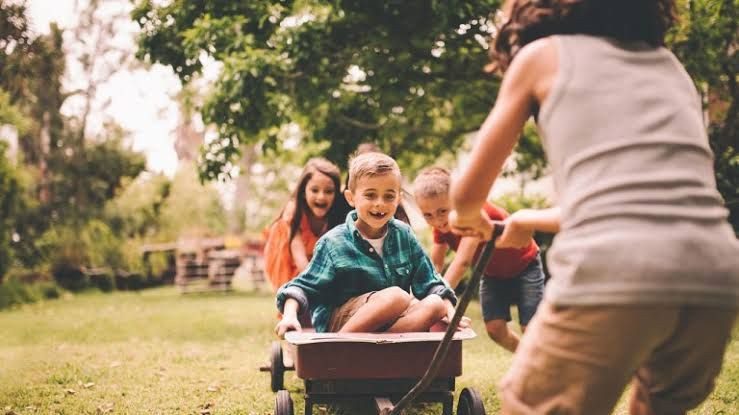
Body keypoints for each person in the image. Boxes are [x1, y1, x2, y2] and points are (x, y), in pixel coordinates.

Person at [449, 1, 739, 414]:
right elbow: (645, 201)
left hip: (617, 268)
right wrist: (528, 219)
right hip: (715, 274)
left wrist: (466, 218)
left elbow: (466, 195)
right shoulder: (669, 66)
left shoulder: (544, 56)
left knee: (531, 406)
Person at [275, 152, 466, 336]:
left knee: (436, 303)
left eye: (389, 196)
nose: (380, 203)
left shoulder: (404, 235)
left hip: (391, 321)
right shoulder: (333, 242)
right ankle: (339, 346)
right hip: (342, 323)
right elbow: (302, 287)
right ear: (351, 198)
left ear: (398, 199)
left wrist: (451, 313)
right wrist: (290, 316)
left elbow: (431, 283)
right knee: (397, 297)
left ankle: (375, 349)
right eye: (370, 195)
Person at [413, 166, 544, 352]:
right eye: (428, 215)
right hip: (492, 273)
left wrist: (438, 295)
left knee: (529, 327)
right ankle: (529, 359)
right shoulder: (440, 229)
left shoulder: (473, 214)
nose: (437, 221)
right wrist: (423, 294)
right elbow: (436, 265)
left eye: (442, 211)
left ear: (455, 200)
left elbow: (462, 262)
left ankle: (536, 363)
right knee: (495, 329)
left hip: (525, 265)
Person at [263, 158, 344, 293]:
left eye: (329, 191)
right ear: (303, 192)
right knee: (297, 293)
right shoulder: (294, 212)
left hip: (312, 257)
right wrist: (319, 283)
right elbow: (299, 258)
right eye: (314, 190)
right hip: (286, 256)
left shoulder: (337, 215)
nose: (321, 197)